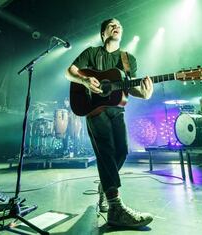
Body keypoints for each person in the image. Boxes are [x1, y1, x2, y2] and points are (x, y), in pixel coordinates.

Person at [65, 18, 154, 228]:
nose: (117, 27)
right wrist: (85, 80)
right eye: (111, 25)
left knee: (122, 151)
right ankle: (115, 206)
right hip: (94, 108)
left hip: (117, 109)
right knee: (105, 150)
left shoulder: (127, 59)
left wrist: (146, 93)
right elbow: (70, 72)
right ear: (103, 33)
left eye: (120, 25)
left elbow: (131, 87)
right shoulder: (91, 53)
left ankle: (106, 186)